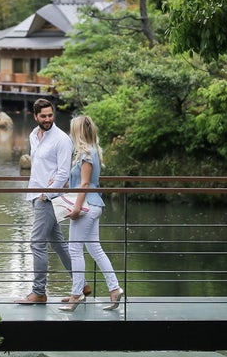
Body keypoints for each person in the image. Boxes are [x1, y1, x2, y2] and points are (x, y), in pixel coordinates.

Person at [59, 114, 124, 312]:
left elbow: (85, 184)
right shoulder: (92, 151)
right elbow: (82, 182)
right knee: (95, 249)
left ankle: (76, 294)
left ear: (77, 132)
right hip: (94, 204)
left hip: (87, 205)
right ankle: (114, 289)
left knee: (75, 249)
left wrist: (77, 207)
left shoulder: (86, 153)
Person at [16, 98, 76, 304]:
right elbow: (41, 168)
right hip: (36, 195)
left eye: (51, 115)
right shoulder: (34, 135)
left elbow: (63, 172)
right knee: (58, 243)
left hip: (48, 198)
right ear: (35, 116)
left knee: (37, 243)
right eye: (44, 116)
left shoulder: (62, 139)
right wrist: (37, 194)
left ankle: (39, 292)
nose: (48, 119)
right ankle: (81, 283)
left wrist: (47, 194)